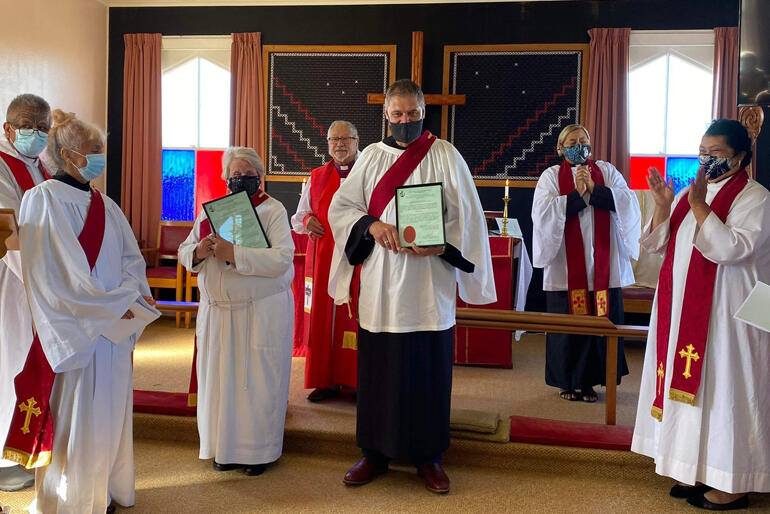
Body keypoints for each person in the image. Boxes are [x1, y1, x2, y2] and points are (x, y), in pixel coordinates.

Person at [328, 79, 496, 494]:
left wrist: (443, 244)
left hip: (427, 284)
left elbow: (468, 217)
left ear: (424, 112)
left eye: (413, 114)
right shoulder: (371, 157)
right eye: (398, 114)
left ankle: (429, 457)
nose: (406, 121)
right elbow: (342, 207)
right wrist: (373, 225)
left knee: (427, 370)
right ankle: (374, 452)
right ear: (386, 114)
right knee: (378, 371)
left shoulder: (445, 155)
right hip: (382, 283)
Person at [14, 109, 154, 513]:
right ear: (68, 154)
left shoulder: (106, 205)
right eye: (94, 149)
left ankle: (106, 490)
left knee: (108, 415)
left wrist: (130, 298)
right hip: (78, 333)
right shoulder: (42, 200)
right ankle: (75, 501)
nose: (100, 157)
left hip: (112, 332)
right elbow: (55, 275)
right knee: (79, 419)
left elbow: (131, 260)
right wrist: (112, 308)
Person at [632, 119, 770, 510]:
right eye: (702, 152)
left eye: (716, 153)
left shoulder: (755, 198)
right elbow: (658, 244)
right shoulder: (691, 193)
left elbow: (731, 249)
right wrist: (664, 205)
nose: (706, 160)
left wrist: (698, 206)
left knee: (726, 392)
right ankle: (692, 468)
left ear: (739, 156)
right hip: (682, 310)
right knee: (692, 392)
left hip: (731, 317)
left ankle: (733, 482)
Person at [179, 147, 295, 477]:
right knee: (220, 383)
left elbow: (282, 259)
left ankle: (258, 452)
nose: (241, 179)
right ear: (226, 178)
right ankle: (223, 448)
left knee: (254, 384)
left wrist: (235, 253)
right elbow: (185, 250)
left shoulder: (272, 210)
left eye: (247, 174)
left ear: (259, 176)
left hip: (258, 313)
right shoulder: (213, 212)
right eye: (235, 174)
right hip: (217, 314)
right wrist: (199, 251)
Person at [531, 124, 641, 403]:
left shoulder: (606, 171)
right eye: (572, 142)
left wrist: (595, 188)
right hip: (566, 268)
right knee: (568, 327)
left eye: (583, 140)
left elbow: (628, 202)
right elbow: (542, 212)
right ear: (560, 148)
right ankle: (567, 381)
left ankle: (591, 382)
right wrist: (576, 196)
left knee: (600, 325)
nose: (578, 146)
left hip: (604, 265)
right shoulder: (551, 176)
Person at [0, 94, 51, 493]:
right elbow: (10, 227)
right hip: (11, 280)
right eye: (27, 125)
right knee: (11, 359)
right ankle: (6, 457)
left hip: (40, 279)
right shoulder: (3, 165)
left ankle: (30, 446)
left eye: (43, 127)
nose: (36, 133)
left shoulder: (41, 165)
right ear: (8, 128)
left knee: (30, 360)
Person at [291, 120, 360, 402]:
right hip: (324, 258)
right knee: (323, 317)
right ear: (328, 143)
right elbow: (299, 217)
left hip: (358, 257)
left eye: (346, 139)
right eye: (334, 140)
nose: (340, 144)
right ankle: (325, 380)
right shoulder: (317, 176)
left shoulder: (369, 173)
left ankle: (355, 381)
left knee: (354, 316)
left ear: (357, 142)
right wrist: (308, 221)